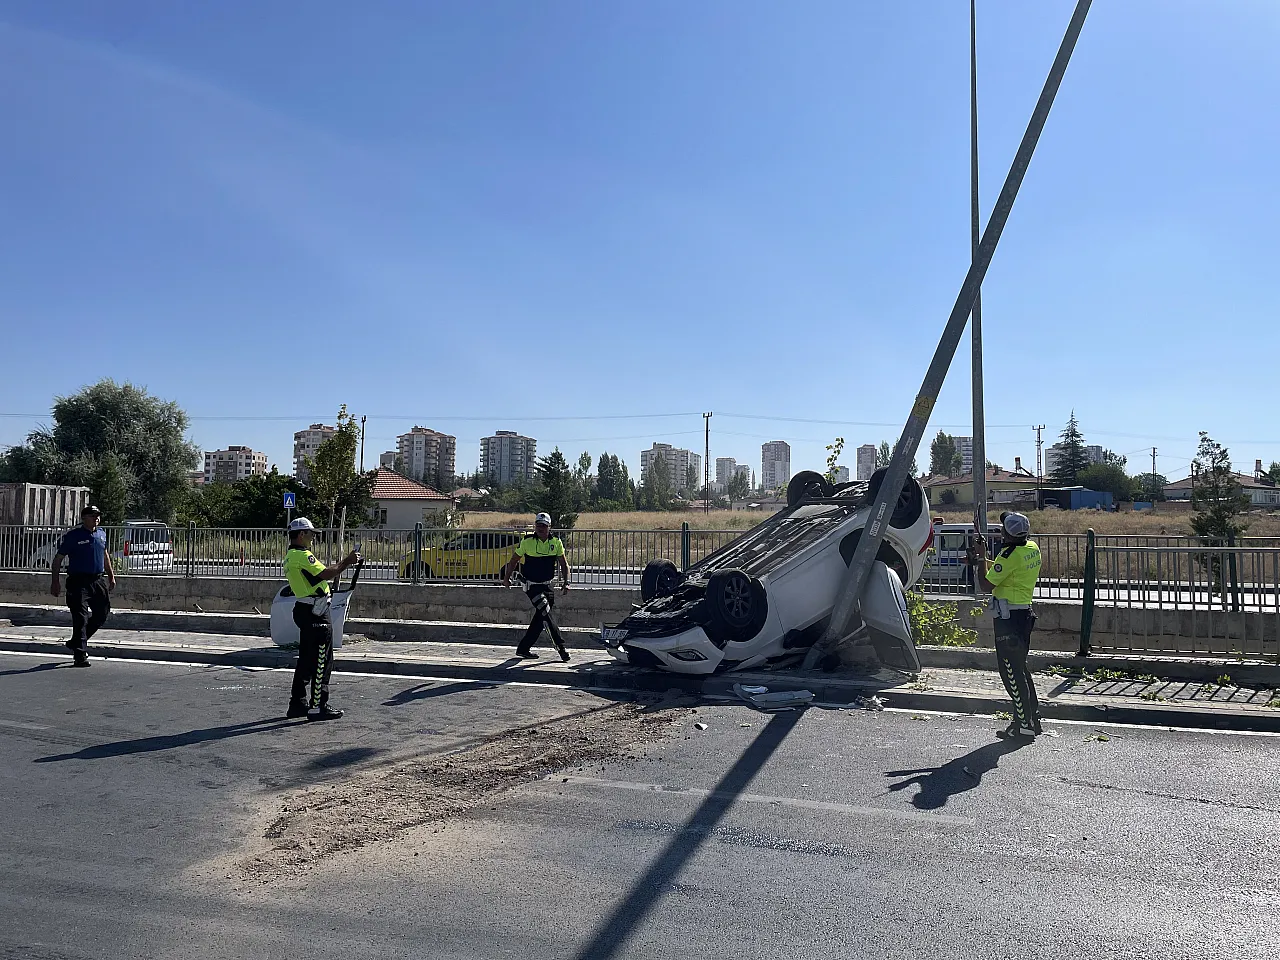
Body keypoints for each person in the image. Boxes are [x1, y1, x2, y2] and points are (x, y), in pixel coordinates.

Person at [972, 511, 1043, 739]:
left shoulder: (1008, 555)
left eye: (1002, 528)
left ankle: (1024, 725)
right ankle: (1033, 719)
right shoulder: (1032, 548)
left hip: (1008, 620)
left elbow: (986, 584)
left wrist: (980, 559)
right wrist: (988, 561)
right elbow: (1009, 569)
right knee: (1020, 668)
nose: (999, 530)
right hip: (1023, 614)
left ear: (1007, 534)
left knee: (1011, 672)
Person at [283, 517, 361, 721]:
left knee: (306, 658)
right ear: (301, 535)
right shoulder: (303, 556)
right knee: (321, 659)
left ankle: (297, 703)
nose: (313, 538)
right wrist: (347, 561)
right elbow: (326, 573)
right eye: (310, 534)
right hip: (316, 612)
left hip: (304, 608)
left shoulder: (290, 556)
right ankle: (318, 705)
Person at [49, 505, 115, 667]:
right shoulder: (73, 536)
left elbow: (105, 555)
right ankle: (80, 654)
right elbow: (58, 559)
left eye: (98, 516)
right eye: (93, 516)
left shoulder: (101, 534)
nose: (96, 518)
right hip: (78, 582)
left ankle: (75, 642)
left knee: (102, 613)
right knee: (81, 617)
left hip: (97, 581)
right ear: (84, 518)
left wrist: (111, 576)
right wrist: (55, 581)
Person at [501, 512, 571, 661]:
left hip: (548, 585)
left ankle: (523, 648)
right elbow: (513, 561)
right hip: (531, 585)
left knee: (541, 618)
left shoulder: (556, 542)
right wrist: (506, 578)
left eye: (544, 526)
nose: (540, 528)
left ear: (549, 527)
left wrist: (566, 582)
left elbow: (564, 565)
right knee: (545, 611)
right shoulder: (527, 541)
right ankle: (561, 648)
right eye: (538, 525)